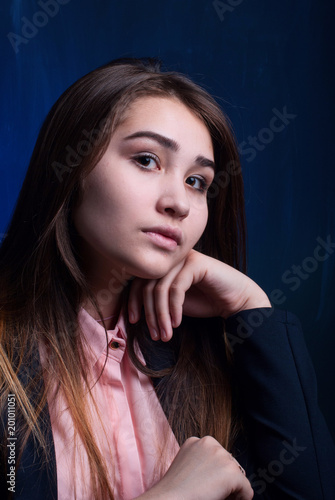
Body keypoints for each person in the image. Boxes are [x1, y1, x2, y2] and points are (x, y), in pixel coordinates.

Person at [0, 57, 334, 500]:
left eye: (198, 181)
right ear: (72, 168)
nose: (179, 202)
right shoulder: (10, 358)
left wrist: (251, 307)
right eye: (146, 159)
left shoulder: (200, 352)